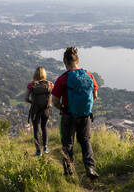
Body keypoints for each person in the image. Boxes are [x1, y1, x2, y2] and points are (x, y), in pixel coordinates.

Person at [51, 47, 99, 178]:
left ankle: (69, 170)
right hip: (85, 115)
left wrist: (62, 108)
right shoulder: (88, 75)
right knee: (85, 141)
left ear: (65, 61)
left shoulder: (63, 78)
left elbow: (54, 100)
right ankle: (90, 168)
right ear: (77, 60)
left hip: (68, 114)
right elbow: (95, 95)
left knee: (67, 143)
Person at [25, 66, 54, 156]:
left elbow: (26, 98)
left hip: (35, 110)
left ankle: (38, 151)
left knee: (36, 129)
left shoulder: (31, 85)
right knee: (44, 127)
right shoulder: (50, 84)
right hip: (46, 109)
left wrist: (33, 102)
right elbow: (52, 98)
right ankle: (45, 147)